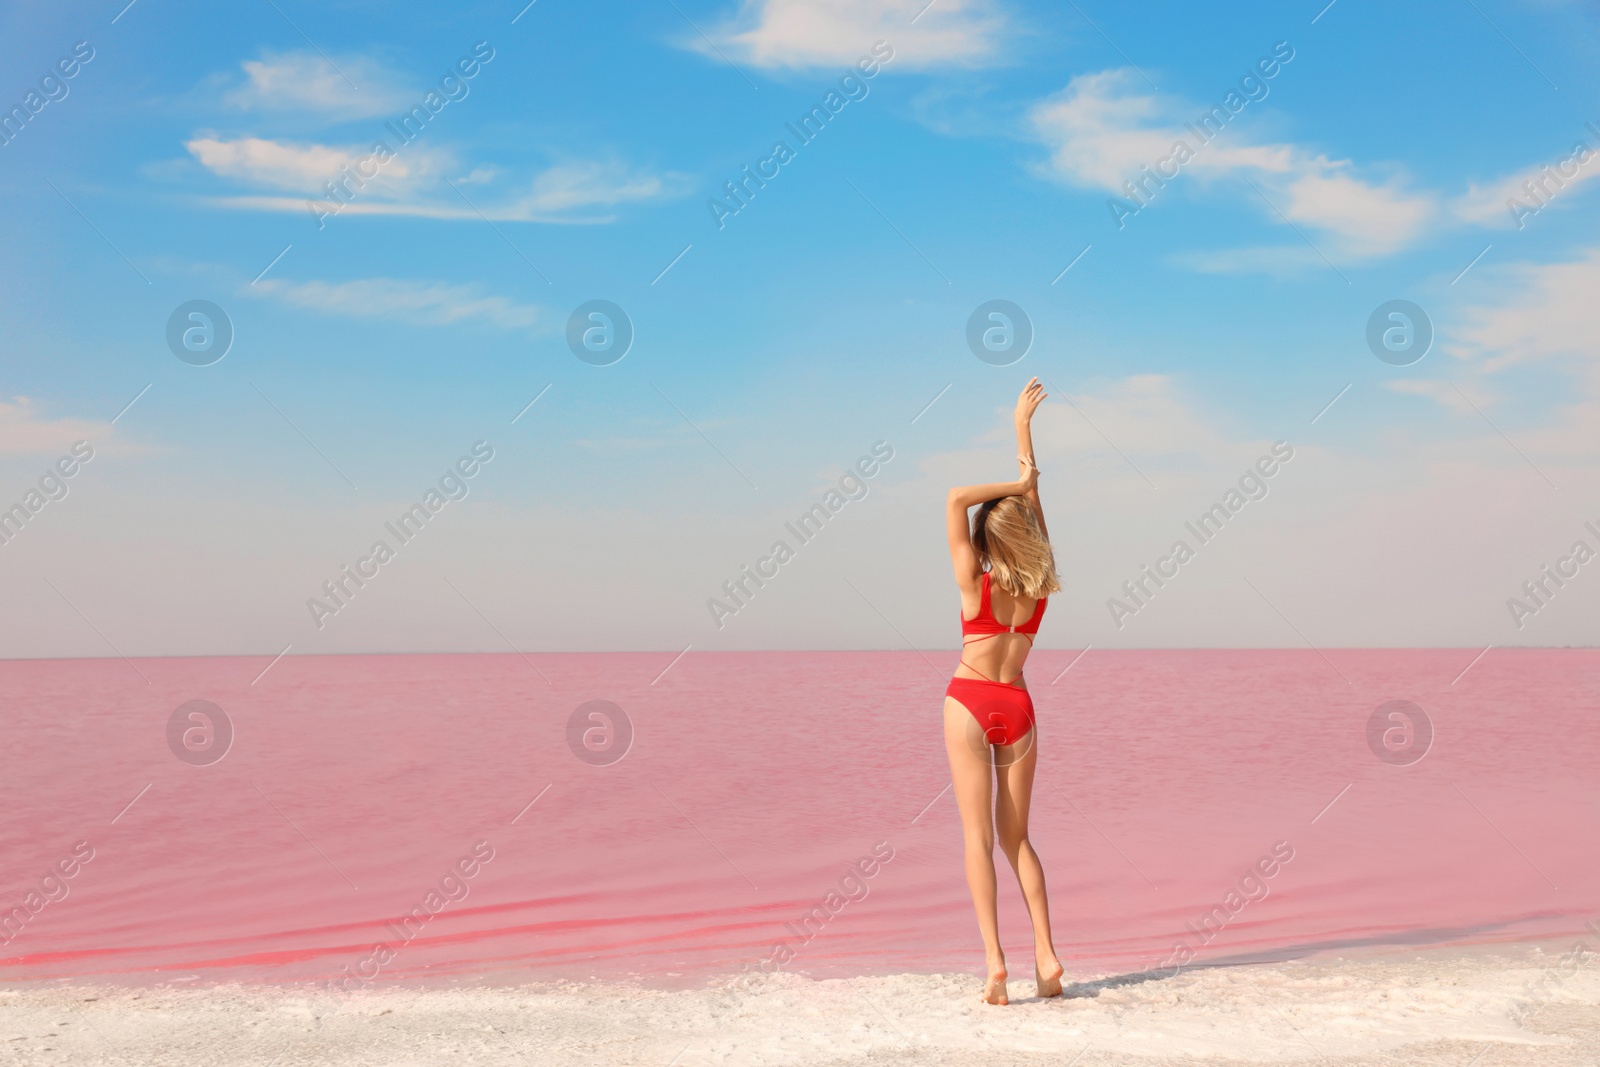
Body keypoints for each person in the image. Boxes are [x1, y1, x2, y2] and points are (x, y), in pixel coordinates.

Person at [942, 377, 1063, 1005]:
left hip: (969, 700)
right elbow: (1035, 517)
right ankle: (1046, 955)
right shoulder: (1039, 584)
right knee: (1018, 838)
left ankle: (995, 963)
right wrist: (1023, 431)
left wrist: (1014, 482)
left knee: (975, 839)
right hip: (1018, 707)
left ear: (991, 537)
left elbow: (957, 495)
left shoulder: (973, 582)